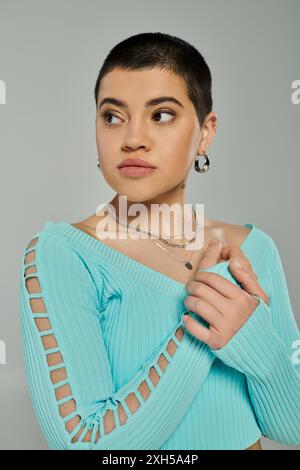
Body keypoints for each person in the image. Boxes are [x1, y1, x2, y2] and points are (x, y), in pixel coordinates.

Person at [19, 32, 300, 450]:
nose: (132, 138)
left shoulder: (252, 249)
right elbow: (85, 443)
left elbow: (291, 427)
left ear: (206, 133)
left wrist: (251, 338)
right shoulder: (64, 252)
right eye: (112, 116)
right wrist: (204, 322)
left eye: (162, 114)